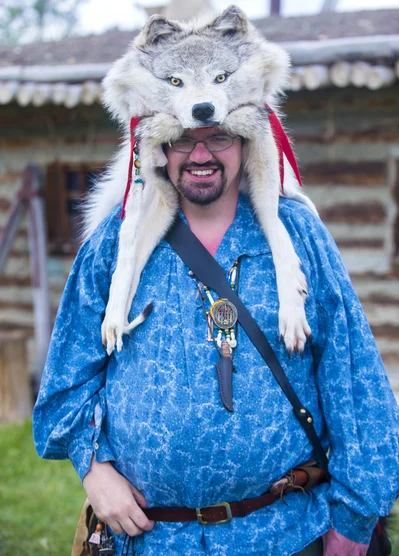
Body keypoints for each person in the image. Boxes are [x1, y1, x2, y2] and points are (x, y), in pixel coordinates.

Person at [33, 125, 399, 556]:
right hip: (152, 540)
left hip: (286, 533)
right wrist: (94, 470)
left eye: (219, 137)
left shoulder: (297, 235)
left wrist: (355, 521)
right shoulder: (116, 244)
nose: (200, 154)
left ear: (248, 142)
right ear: (158, 148)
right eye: (182, 139)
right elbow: (66, 382)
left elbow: (355, 382)